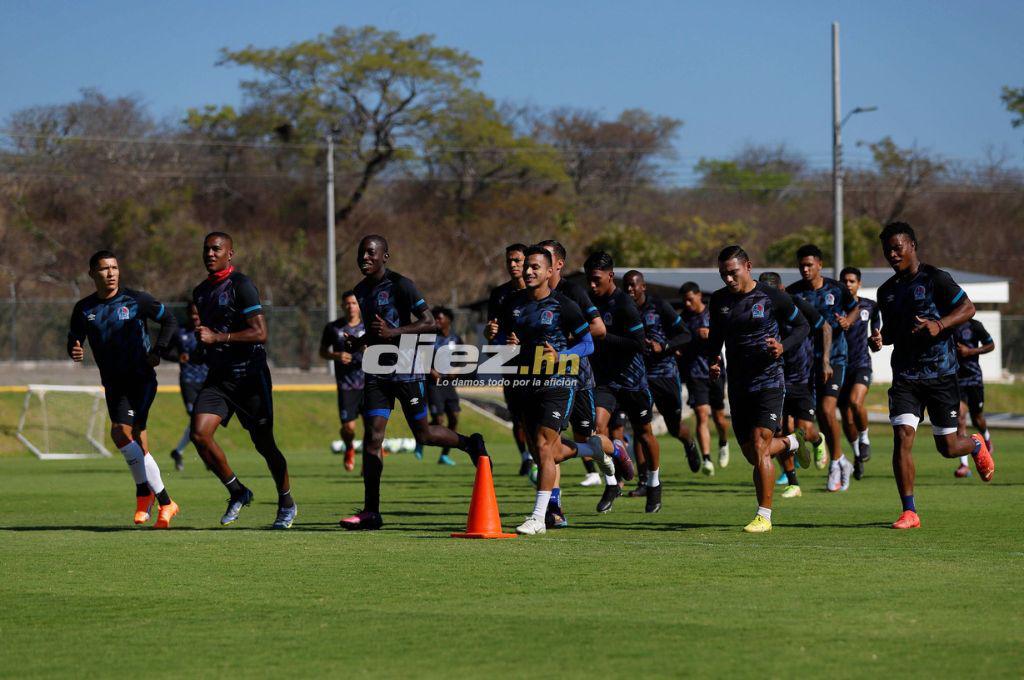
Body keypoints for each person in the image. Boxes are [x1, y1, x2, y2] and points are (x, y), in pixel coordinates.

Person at [341, 235, 487, 531]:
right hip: (377, 373)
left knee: (423, 434)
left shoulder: (401, 285)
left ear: (385, 256)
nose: (364, 258)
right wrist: (359, 342)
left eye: (371, 253)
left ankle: (469, 444)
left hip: (407, 371)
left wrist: (393, 333)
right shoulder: (360, 290)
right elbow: (376, 331)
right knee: (372, 439)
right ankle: (371, 512)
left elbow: (430, 322)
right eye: (361, 254)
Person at [870, 222, 994, 529]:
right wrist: (880, 340)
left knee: (949, 447)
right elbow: (894, 332)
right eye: (888, 249)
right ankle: (909, 511)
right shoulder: (886, 292)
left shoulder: (936, 278)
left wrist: (940, 324)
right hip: (906, 377)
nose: (892, 254)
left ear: (912, 245)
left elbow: (968, 308)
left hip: (941, 374)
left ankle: (976, 445)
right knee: (902, 436)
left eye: (898, 247)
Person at [496, 246, 616, 535]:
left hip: (559, 382)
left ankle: (540, 517)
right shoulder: (513, 303)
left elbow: (588, 344)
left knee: (543, 446)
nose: (528, 271)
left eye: (535, 267)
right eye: (527, 266)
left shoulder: (564, 305)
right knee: (542, 453)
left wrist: (562, 357)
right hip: (526, 381)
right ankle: (593, 448)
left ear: (550, 272)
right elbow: (505, 340)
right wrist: (503, 340)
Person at [190, 232, 297, 529]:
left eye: (216, 249)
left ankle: (286, 501)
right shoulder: (200, 291)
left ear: (230, 254)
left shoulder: (242, 285)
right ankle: (238, 491)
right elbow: (209, 334)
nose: (210, 254)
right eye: (206, 249)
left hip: (250, 377)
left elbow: (260, 333)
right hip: (219, 379)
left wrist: (218, 337)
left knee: (264, 445)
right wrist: (202, 345)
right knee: (199, 434)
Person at [68, 250, 180, 528]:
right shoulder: (84, 309)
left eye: (115, 268)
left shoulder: (137, 299)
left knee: (125, 432)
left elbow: (170, 321)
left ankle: (152, 497)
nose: (111, 273)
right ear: (92, 273)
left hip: (141, 379)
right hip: (113, 383)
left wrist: (159, 351)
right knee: (129, 439)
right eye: (104, 269)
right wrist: (74, 348)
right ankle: (158, 499)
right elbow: (74, 337)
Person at [705, 246, 810, 533]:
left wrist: (782, 347)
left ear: (748, 266)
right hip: (739, 384)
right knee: (753, 454)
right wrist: (714, 361)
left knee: (761, 445)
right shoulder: (719, 301)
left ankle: (764, 516)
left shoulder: (772, 296)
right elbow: (715, 339)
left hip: (769, 381)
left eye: (733, 272)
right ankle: (792, 442)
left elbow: (802, 326)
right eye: (723, 274)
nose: (728, 278)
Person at [585, 251, 667, 513]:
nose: (592, 285)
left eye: (596, 280)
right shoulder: (589, 301)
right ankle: (612, 482)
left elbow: (637, 345)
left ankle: (654, 483)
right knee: (597, 432)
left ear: (610, 276)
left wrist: (603, 336)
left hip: (633, 380)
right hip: (605, 380)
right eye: (589, 280)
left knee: (644, 433)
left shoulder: (624, 305)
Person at [786, 244, 860, 491]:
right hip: (806, 363)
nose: (805, 270)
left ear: (819, 264)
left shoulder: (836, 289)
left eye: (809, 265)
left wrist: (847, 322)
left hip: (835, 358)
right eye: (801, 266)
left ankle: (837, 463)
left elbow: (854, 309)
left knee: (828, 410)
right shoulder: (794, 292)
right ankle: (834, 455)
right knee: (810, 421)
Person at [622, 271, 703, 474]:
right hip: (638, 376)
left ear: (643, 287)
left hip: (664, 374)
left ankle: (689, 443)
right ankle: (644, 480)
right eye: (626, 286)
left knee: (674, 428)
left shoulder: (658, 306)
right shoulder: (622, 307)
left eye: (633, 285)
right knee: (641, 428)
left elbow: (685, 335)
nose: (629, 289)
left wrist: (664, 346)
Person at [758, 272, 827, 498]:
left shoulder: (797, 305)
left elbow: (823, 327)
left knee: (803, 430)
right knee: (778, 431)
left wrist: (825, 360)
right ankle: (793, 482)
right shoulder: (759, 309)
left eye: (773, 290)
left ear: (782, 288)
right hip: (775, 379)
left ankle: (818, 440)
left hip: (802, 378)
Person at [679, 282, 731, 478]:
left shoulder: (713, 313)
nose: (687, 303)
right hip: (694, 374)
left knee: (718, 418)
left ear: (699, 295)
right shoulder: (683, 319)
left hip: (715, 370)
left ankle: (724, 441)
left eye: (690, 299)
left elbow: (729, 333)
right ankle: (707, 459)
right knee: (701, 415)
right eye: (684, 300)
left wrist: (712, 334)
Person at [486, 244, 530, 475]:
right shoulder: (499, 294)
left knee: (536, 415)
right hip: (510, 363)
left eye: (517, 261)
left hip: (538, 362)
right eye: (509, 261)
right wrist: (490, 334)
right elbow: (492, 329)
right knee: (517, 415)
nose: (512, 265)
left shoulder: (540, 292)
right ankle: (526, 456)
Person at [839, 267, 882, 480]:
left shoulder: (870, 306)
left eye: (852, 281)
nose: (848, 284)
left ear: (859, 284)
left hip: (861, 364)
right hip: (839, 367)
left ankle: (864, 437)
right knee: (846, 418)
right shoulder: (834, 307)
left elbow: (876, 341)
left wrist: (876, 342)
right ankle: (857, 456)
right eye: (844, 281)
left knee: (856, 403)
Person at [320, 290, 365, 472]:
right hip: (346, 385)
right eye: (347, 303)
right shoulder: (333, 328)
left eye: (354, 303)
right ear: (341, 306)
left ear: (359, 306)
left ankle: (369, 463)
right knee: (348, 428)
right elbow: (322, 352)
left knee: (372, 427)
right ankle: (349, 447)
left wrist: (368, 351)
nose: (351, 307)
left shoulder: (369, 327)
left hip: (369, 384)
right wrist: (336, 355)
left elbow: (382, 351)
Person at [165, 301, 209, 472]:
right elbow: (164, 351)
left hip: (207, 381)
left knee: (203, 423)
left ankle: (178, 452)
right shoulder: (179, 332)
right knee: (196, 420)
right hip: (188, 381)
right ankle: (206, 455)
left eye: (197, 313)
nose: (195, 316)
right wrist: (178, 357)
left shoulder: (209, 331)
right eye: (192, 313)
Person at [952, 318, 995, 477]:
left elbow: (991, 345)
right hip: (956, 380)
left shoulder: (975, 325)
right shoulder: (948, 325)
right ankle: (964, 465)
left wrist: (970, 351)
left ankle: (986, 439)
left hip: (974, 379)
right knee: (959, 418)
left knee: (977, 418)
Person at [427, 306, 462, 466]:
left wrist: (458, 369)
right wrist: (430, 370)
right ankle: (421, 436)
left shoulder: (456, 338)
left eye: (439, 318)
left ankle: (444, 454)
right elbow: (418, 359)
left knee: (454, 418)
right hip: (433, 384)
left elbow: (464, 360)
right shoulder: (429, 338)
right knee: (438, 420)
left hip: (448, 384)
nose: (436, 321)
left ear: (449, 320)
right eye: (435, 319)